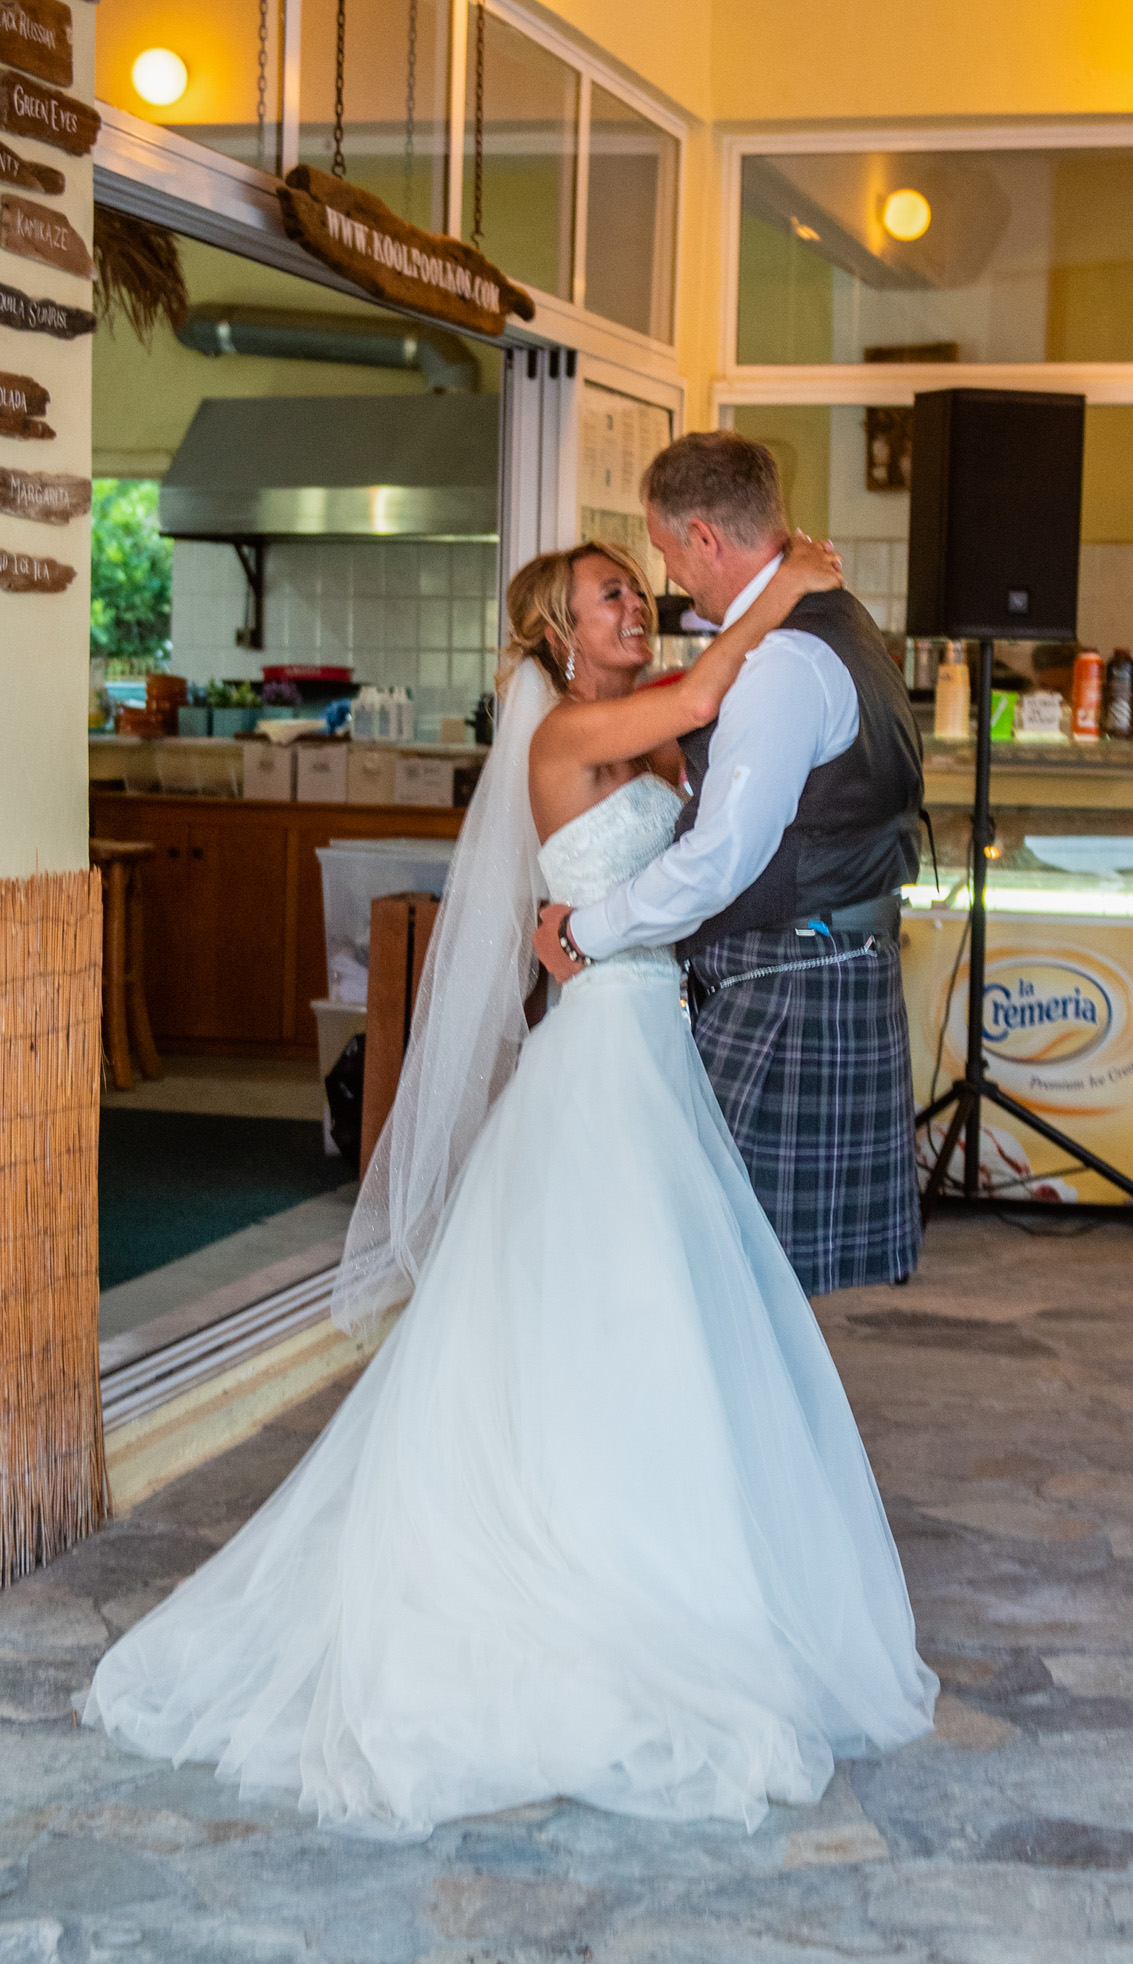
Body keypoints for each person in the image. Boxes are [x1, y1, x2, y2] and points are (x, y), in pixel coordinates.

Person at [80, 537, 935, 1839]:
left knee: (667, 1315)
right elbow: (710, 696)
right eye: (609, 595)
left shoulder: (645, 744)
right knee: (622, 1305)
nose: (633, 606)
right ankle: (590, 1561)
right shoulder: (567, 742)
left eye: (636, 591)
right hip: (602, 1053)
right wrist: (787, 580)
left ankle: (669, 1554)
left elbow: (705, 813)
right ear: (556, 631)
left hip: (658, 1032)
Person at [535, 433, 925, 1298]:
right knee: (736, 1274)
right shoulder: (831, 623)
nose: (666, 583)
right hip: (812, 970)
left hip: (786, 981)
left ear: (705, 537)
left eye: (667, 556)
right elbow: (697, 710)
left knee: (727, 1273)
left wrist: (587, 932)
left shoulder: (783, 660)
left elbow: (720, 862)